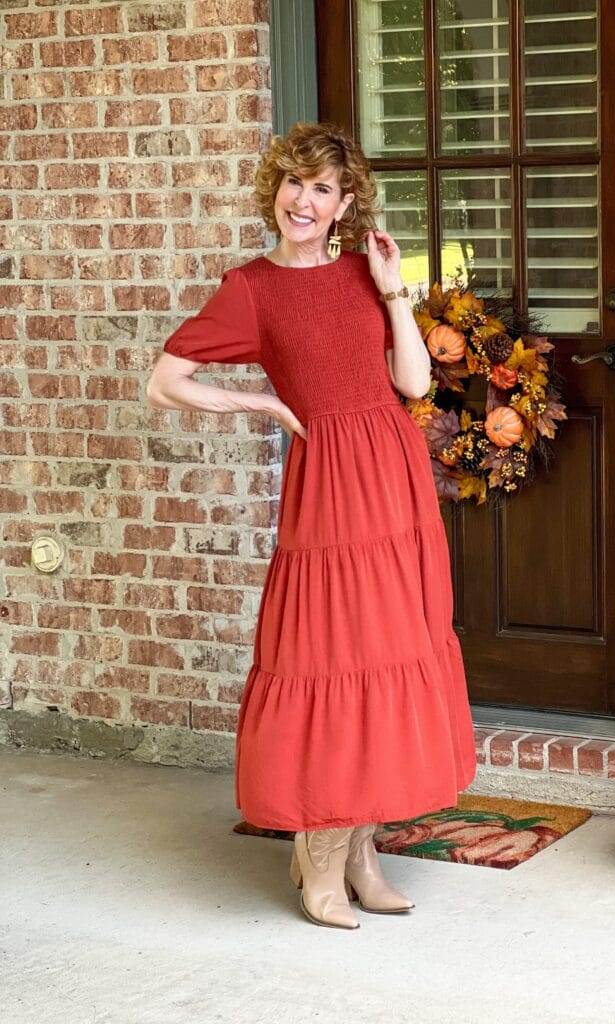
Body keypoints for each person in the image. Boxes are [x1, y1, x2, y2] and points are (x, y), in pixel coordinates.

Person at [147, 121, 476, 930]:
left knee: (391, 652)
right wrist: (255, 399)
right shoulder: (251, 288)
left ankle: (362, 852)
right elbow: (167, 383)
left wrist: (396, 290)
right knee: (331, 657)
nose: (304, 199)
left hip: (393, 482)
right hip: (327, 486)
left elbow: (410, 380)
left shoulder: (369, 274)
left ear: (344, 203)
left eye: (322, 188)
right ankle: (318, 857)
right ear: (277, 191)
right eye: (294, 183)